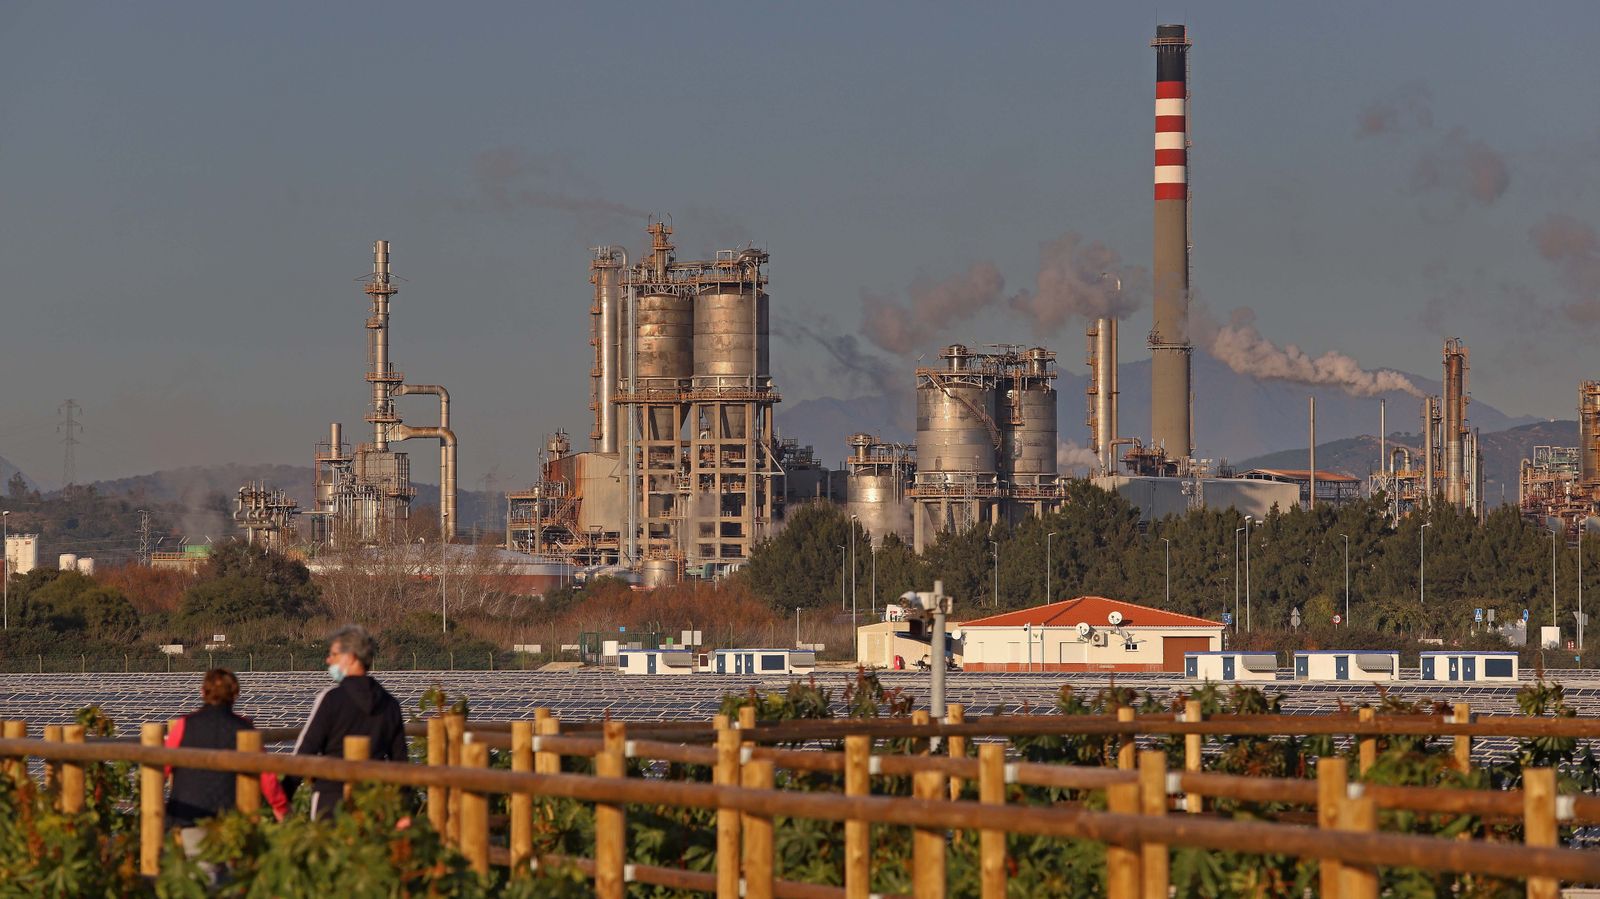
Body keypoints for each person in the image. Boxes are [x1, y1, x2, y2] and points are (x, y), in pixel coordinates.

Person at [164, 669, 290, 873]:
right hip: (232, 817)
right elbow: (267, 775)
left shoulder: (185, 725)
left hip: (190, 814)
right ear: (235, 694)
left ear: (203, 692)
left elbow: (163, 765)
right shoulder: (245, 729)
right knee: (229, 879)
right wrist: (281, 808)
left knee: (201, 876)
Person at [287, 624, 408, 818]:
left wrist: (284, 797)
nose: (328, 660)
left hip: (330, 798)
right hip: (373, 801)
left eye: (333, 655)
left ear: (350, 658)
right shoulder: (390, 704)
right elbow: (400, 761)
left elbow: (305, 750)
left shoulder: (331, 699)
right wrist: (402, 811)